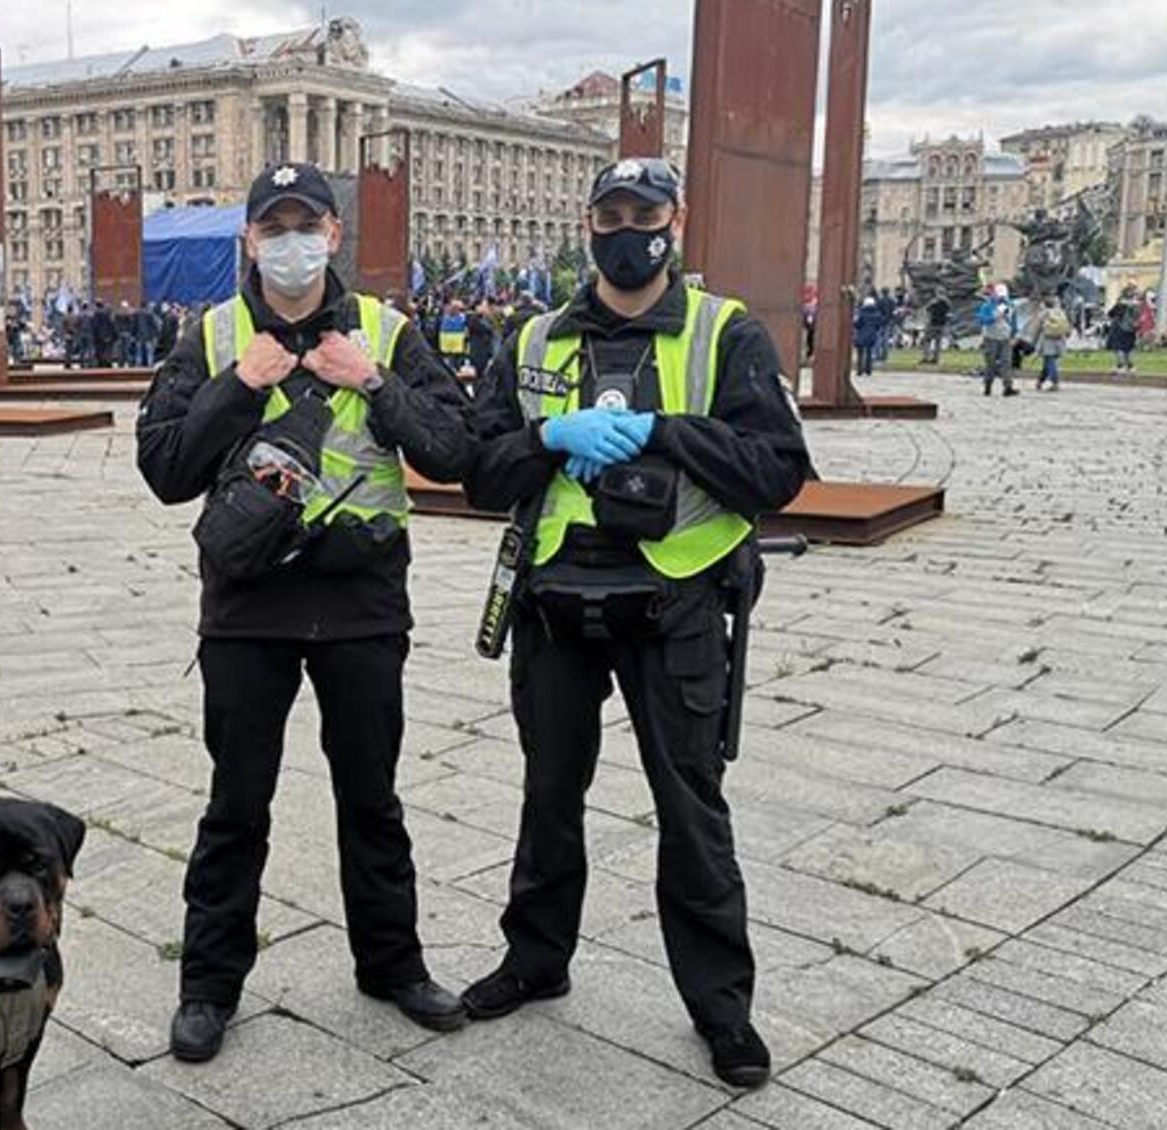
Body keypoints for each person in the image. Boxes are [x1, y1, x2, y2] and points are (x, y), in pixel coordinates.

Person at [460, 157, 810, 1090]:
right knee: (548, 795)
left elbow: (777, 469)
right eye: (610, 215)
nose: (627, 232)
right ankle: (535, 959)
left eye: (643, 215)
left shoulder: (724, 333)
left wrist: (663, 431)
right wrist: (548, 437)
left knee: (690, 807)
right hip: (554, 604)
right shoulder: (534, 338)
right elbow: (478, 470)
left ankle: (721, 1008)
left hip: (674, 601)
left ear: (674, 222)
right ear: (588, 226)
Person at [136, 161, 476, 1063]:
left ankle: (393, 965)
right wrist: (238, 386)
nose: (292, 242)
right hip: (249, 607)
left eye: (307, 225)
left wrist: (374, 382)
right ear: (249, 239)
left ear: (334, 234)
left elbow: (456, 450)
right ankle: (209, 985)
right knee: (236, 804)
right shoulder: (214, 335)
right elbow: (164, 469)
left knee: (373, 799)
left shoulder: (386, 333)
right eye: (274, 227)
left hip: (362, 603)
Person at [977, 284, 1018, 396]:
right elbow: (982, 320)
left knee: (1006, 362)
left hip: (1005, 338)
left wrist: (1014, 335)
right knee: (990, 363)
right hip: (991, 338)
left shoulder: (1011, 306)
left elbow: (1014, 321)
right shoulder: (987, 306)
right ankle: (988, 385)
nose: (1001, 299)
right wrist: (994, 316)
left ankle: (1008, 386)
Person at [1034, 295, 1071, 391]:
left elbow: (1037, 328)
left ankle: (1055, 382)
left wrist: (1034, 340)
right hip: (1059, 340)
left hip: (1047, 341)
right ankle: (1040, 381)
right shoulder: (1060, 312)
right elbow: (1067, 326)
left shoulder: (1043, 314)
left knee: (1050, 361)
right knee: (1048, 363)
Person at [1107, 288, 1140, 373]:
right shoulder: (1137, 305)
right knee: (1129, 348)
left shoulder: (1121, 304)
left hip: (1120, 328)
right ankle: (1131, 366)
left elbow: (1110, 314)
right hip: (1132, 330)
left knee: (1119, 348)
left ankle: (1121, 366)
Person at [466, 299, 499, 382]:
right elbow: (481, 328)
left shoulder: (489, 318)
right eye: (483, 306)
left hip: (484, 350)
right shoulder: (473, 318)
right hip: (477, 350)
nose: (485, 308)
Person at [852, 294, 883, 378]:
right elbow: (879, 325)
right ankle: (868, 370)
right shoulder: (877, 313)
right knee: (869, 353)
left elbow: (857, 324)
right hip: (871, 335)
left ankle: (859, 371)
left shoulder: (861, 313)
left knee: (860, 354)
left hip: (861, 335)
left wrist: (855, 323)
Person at [922, 293, 950, 365]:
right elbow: (948, 314)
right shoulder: (946, 304)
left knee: (927, 340)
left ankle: (926, 357)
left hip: (932, 324)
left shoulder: (934, 303)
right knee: (938, 342)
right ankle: (936, 358)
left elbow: (927, 309)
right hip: (941, 324)